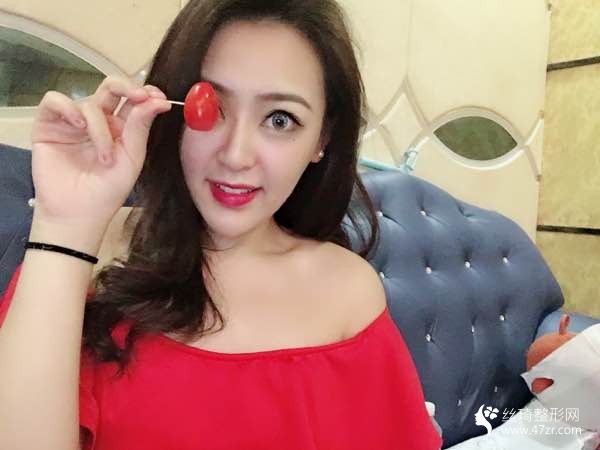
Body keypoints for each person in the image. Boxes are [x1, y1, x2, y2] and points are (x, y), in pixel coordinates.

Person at [0, 1, 443, 449]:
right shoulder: (87, 252)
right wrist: (65, 225)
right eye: (210, 108)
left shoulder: (348, 293)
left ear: (321, 139)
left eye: (280, 119)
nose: (235, 155)